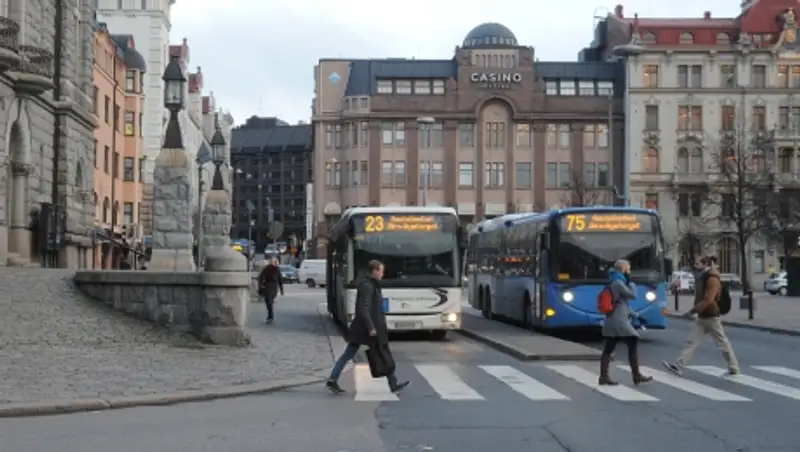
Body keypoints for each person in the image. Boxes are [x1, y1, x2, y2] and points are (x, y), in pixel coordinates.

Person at [326, 259, 409, 394]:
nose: (382, 274)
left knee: (365, 353)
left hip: (365, 327)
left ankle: (332, 379)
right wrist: (371, 327)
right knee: (380, 352)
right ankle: (393, 384)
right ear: (375, 271)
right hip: (365, 329)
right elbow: (363, 308)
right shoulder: (367, 286)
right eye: (381, 271)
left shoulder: (371, 284)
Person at [663, 255, 740, 376]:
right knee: (690, 342)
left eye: (698, 264)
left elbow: (708, 299)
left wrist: (692, 311)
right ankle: (679, 366)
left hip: (711, 315)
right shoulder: (703, 277)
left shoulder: (712, 279)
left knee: (722, 343)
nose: (695, 266)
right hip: (702, 316)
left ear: (705, 264)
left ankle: (734, 367)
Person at [599, 259, 653, 386]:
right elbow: (632, 296)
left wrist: (637, 315)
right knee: (633, 341)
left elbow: (622, 303)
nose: (629, 271)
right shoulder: (618, 282)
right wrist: (632, 283)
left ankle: (604, 376)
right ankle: (636, 375)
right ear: (623, 269)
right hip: (619, 320)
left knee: (609, 348)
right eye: (628, 268)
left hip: (613, 319)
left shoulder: (615, 280)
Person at [258, 257, 284, 324]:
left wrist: (281, 290)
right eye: (274, 262)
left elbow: (280, 280)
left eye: (276, 262)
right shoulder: (266, 268)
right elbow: (261, 277)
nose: (275, 263)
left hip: (273, 287)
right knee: (268, 303)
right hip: (267, 287)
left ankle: (270, 317)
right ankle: (270, 315)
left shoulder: (277, 270)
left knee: (269, 302)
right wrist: (261, 285)